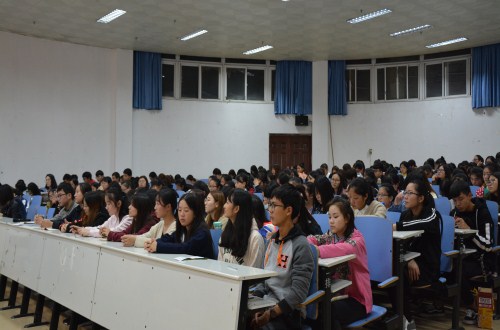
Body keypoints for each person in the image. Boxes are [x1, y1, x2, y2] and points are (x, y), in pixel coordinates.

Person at [251, 184, 314, 329]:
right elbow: (263, 278)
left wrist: (271, 313)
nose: (270, 210)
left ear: (288, 210)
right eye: (269, 205)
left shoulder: (300, 245)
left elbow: (298, 293)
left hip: (287, 312)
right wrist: (257, 303)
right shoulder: (272, 240)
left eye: (274, 205)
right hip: (266, 304)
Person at [307, 197, 372, 329]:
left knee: (327, 311)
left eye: (335, 217)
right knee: (314, 308)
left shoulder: (356, 240)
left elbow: (342, 249)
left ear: (347, 218)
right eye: (329, 217)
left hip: (356, 299)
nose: (331, 221)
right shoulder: (332, 235)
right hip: (335, 294)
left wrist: (315, 250)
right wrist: (307, 244)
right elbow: (312, 239)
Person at [392, 178, 442, 328]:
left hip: (427, 269)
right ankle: (401, 318)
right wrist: (409, 259)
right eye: (404, 192)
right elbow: (400, 243)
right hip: (410, 264)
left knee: (396, 274)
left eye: (410, 193)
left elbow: (420, 225)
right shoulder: (405, 215)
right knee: (389, 271)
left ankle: (407, 320)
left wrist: (396, 226)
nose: (405, 196)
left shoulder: (432, 215)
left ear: (421, 198)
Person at [449, 180, 493, 324]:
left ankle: (473, 306)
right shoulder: (454, 213)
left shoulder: (483, 213)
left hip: (480, 258)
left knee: (458, 270)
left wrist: (469, 231)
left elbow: (488, 246)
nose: (458, 204)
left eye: (461, 199)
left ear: (469, 196)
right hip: (461, 256)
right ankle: (469, 304)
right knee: (446, 267)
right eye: (455, 201)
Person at [144, 192, 214, 259]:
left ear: (195, 213)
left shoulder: (202, 232)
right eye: (180, 210)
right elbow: (170, 238)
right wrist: (153, 243)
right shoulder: (183, 228)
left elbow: (185, 248)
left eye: (186, 210)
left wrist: (158, 246)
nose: (182, 214)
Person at [218, 189, 264, 267]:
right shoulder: (225, 233)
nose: (224, 206)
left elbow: (254, 274)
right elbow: (219, 264)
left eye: (227, 202)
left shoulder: (255, 238)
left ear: (236, 209)